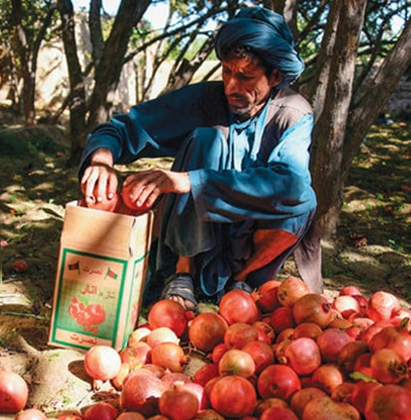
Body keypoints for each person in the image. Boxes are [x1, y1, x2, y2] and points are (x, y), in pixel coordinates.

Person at [78, 6, 317, 311]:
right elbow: (127, 127)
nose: (232, 86)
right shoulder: (207, 99)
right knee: (208, 138)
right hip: (194, 232)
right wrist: (101, 157)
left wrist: (190, 181)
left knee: (303, 199)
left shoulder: (294, 112)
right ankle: (182, 273)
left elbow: (290, 185)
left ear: (275, 76)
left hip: (248, 237)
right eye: (227, 72)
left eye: (245, 77)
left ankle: (240, 281)